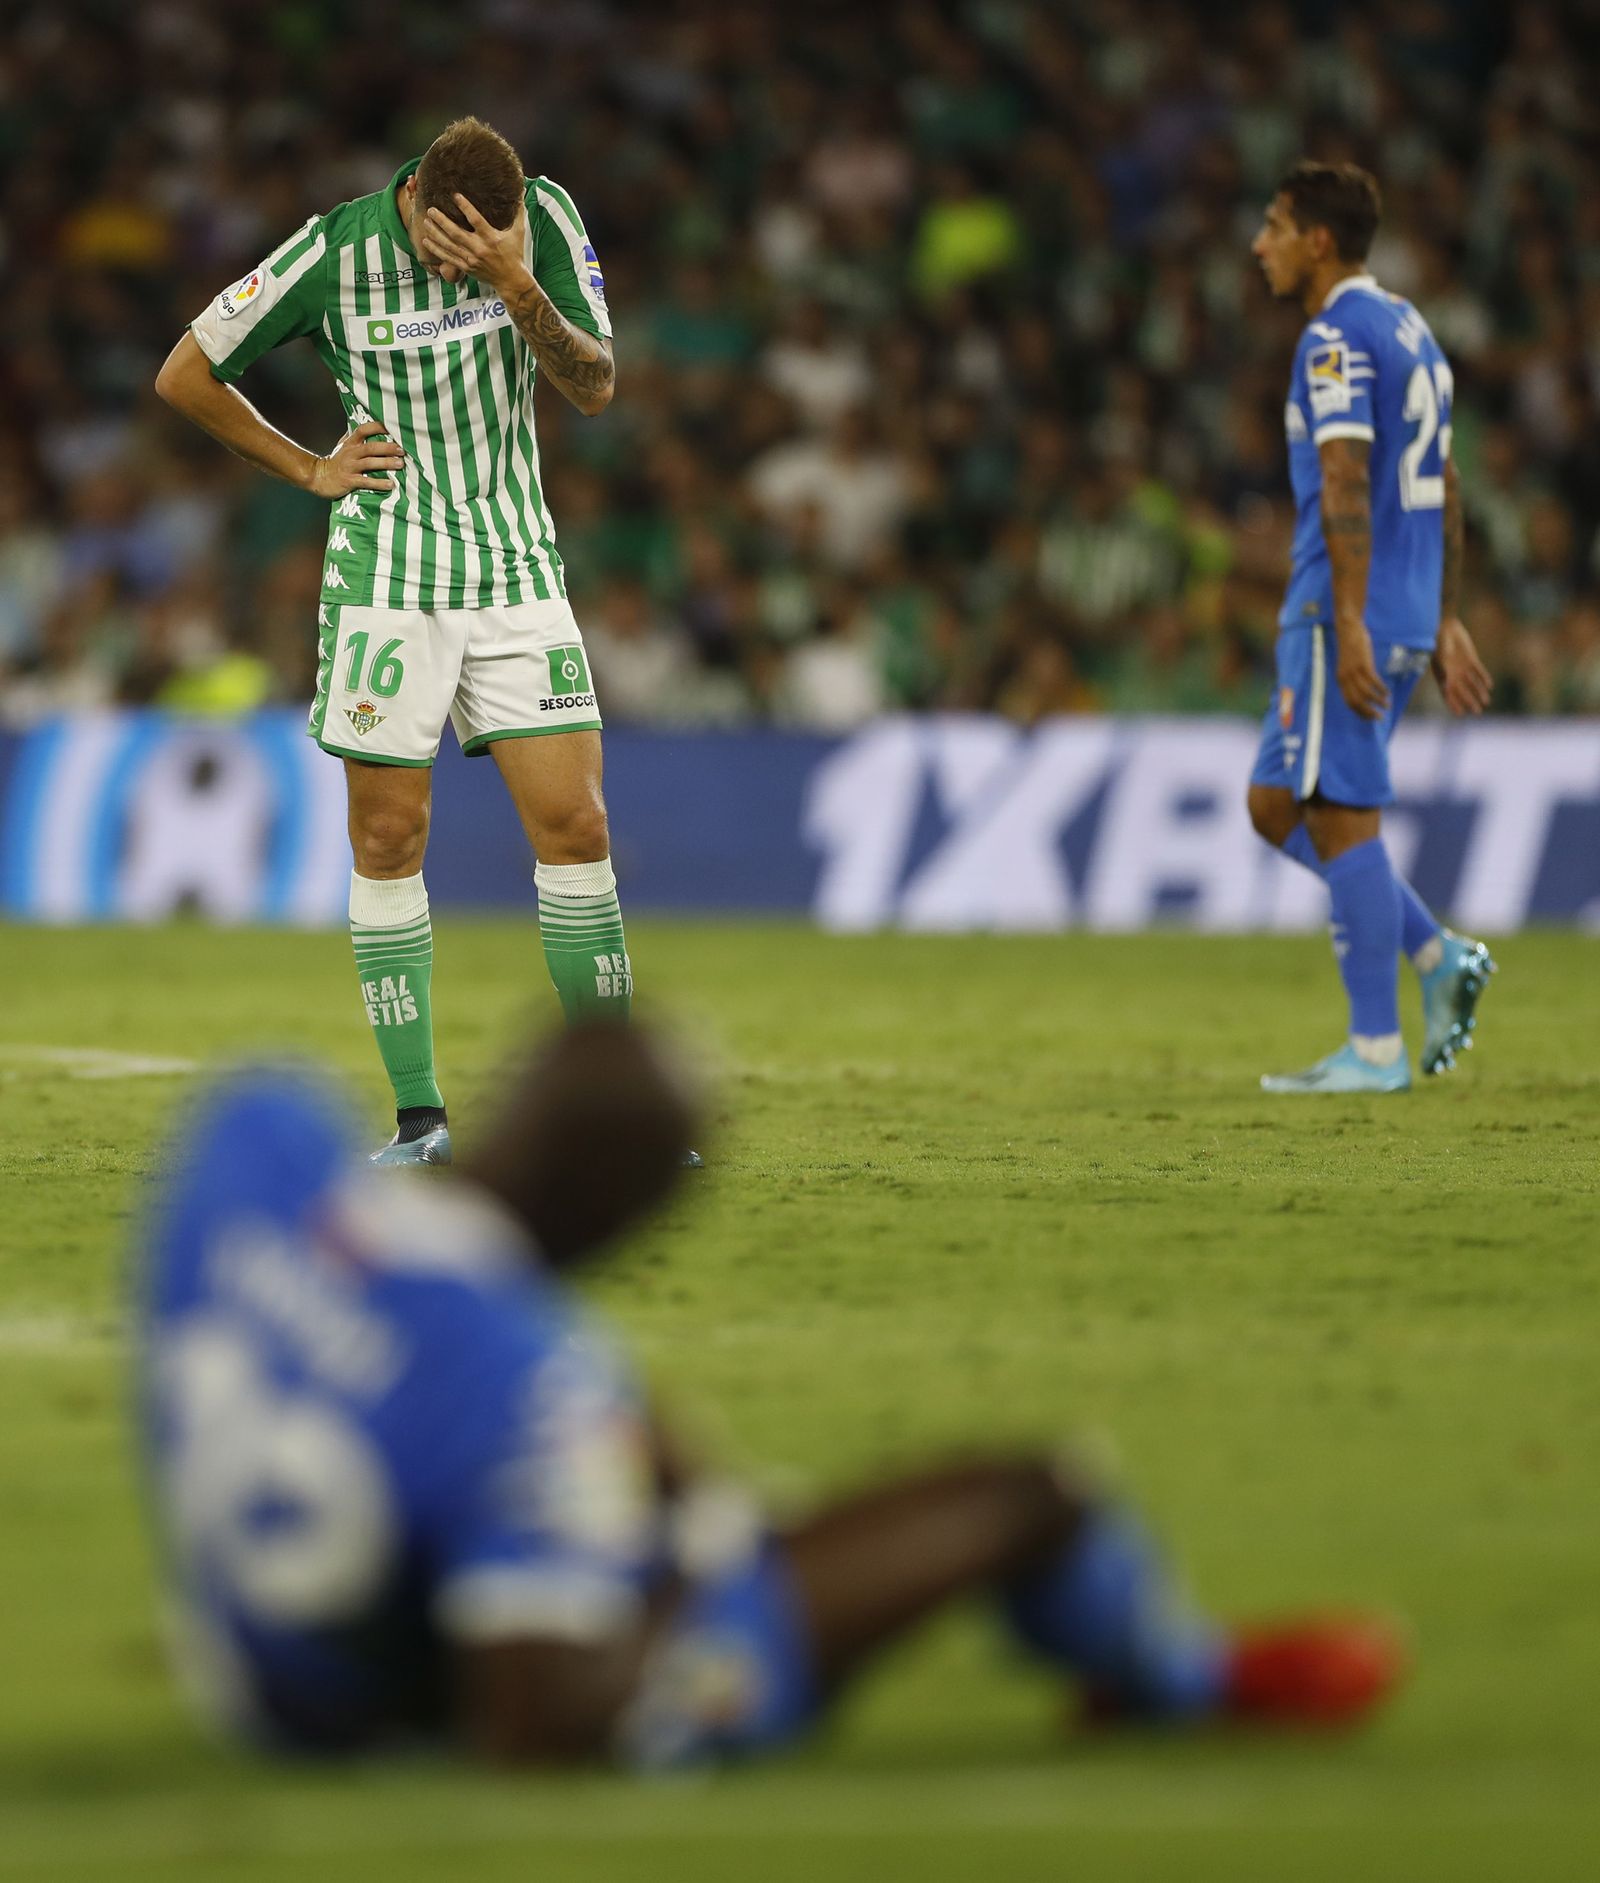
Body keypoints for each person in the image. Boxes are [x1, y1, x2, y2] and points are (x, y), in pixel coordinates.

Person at [138, 1024, 1403, 1767]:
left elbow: (407, 1337)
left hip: (254, 1667)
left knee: (690, 1502)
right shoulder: (531, 1388)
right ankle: (1188, 1679)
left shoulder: (255, 1137)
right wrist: (698, 1562)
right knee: (1037, 1493)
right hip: (460, 1700)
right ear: (629, 1220)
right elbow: (538, 1719)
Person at [155, 117, 642, 1165]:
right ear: (413, 193)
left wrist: (516, 286)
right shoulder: (334, 250)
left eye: (477, 246)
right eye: (439, 244)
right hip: (387, 579)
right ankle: (420, 1118)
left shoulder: (543, 219)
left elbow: (596, 386)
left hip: (516, 570)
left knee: (578, 825)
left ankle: (609, 1114)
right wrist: (306, 468)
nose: (450, 263)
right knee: (387, 839)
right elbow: (185, 372)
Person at [1247, 162, 1497, 1094]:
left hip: (1338, 605)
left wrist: (1348, 619)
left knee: (1342, 816)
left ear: (1318, 239)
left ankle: (1375, 1050)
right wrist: (1441, 614)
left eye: (1274, 226)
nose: (1258, 244)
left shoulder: (1334, 340)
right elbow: (1448, 480)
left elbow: (1347, 477)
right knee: (1276, 805)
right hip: (1397, 598)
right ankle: (1438, 956)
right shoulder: (1409, 327)